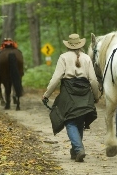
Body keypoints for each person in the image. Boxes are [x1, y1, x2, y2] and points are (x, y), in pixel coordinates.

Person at [42, 33, 100, 162]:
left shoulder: (63, 57)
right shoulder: (86, 58)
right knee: (79, 119)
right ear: (80, 44)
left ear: (68, 45)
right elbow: (93, 80)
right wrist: (96, 96)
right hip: (85, 93)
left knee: (70, 120)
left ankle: (79, 149)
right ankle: (75, 151)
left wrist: (47, 94)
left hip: (69, 92)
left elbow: (56, 78)